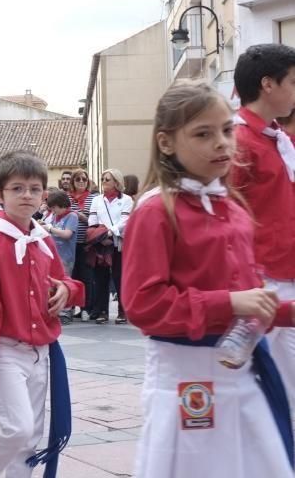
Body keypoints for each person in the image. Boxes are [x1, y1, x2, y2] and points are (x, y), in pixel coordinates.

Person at [123, 80, 294, 476]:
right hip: (188, 381)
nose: (222, 143)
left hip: (243, 373)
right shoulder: (155, 211)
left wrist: (284, 313)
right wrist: (230, 303)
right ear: (166, 143)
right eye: (203, 133)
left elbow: (251, 300)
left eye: (228, 130)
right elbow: (144, 305)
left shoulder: (233, 207)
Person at [0, 150, 84, 478]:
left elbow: (68, 281)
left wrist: (65, 290)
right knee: (16, 428)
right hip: (5, 348)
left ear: (44, 194)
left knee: (30, 436)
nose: (26, 195)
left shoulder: (41, 239)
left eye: (33, 188)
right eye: (17, 188)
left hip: (40, 351)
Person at [227, 43, 295, 415]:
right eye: (294, 82)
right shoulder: (238, 142)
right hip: (263, 281)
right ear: (268, 84)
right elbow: (226, 217)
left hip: (284, 273)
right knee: (257, 384)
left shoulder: (277, 138)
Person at [87, 169, 133, 325]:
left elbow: (125, 221)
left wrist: (110, 233)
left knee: (120, 278)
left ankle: (123, 311)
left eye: (107, 179)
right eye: (102, 179)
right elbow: (92, 221)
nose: (104, 181)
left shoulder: (126, 200)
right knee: (100, 278)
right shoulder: (96, 200)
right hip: (101, 244)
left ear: (117, 182)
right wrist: (100, 236)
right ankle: (102, 311)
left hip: (119, 243)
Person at [43, 190, 79, 325]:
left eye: (54, 207)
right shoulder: (54, 216)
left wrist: (50, 229)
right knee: (54, 284)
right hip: (53, 256)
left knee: (65, 283)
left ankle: (66, 311)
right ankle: (57, 310)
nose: (52, 210)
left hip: (66, 256)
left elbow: (67, 234)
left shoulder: (72, 216)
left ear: (61, 204)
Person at [69, 169, 96, 321]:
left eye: (84, 179)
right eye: (78, 179)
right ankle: (72, 307)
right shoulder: (67, 198)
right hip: (70, 244)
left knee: (86, 277)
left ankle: (86, 308)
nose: (81, 181)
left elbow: (95, 220)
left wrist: (82, 217)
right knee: (72, 276)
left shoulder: (93, 198)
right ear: (73, 181)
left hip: (86, 243)